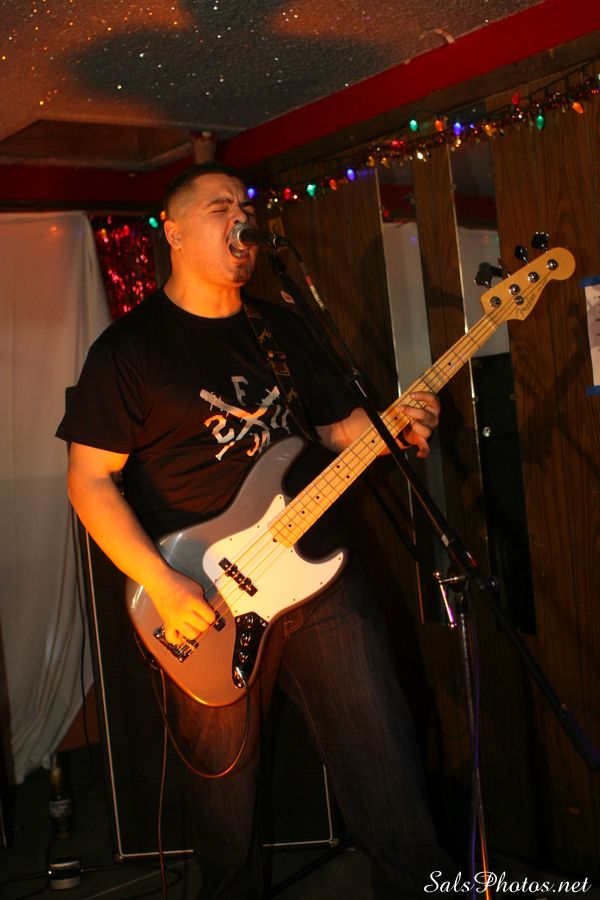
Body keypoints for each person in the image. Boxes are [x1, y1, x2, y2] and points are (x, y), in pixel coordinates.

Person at [57, 161, 458, 898]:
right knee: (225, 803)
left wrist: (389, 427)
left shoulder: (281, 327)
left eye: (244, 205)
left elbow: (329, 430)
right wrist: (162, 584)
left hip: (319, 574)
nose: (241, 217)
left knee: (385, 760)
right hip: (206, 597)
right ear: (174, 232)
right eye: (219, 207)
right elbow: (88, 480)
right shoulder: (129, 351)